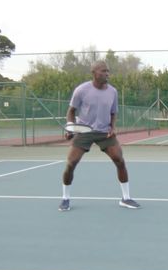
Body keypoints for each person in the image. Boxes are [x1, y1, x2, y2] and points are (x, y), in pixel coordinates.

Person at [59, 61, 140, 211]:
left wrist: (113, 127)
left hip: (104, 133)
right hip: (85, 131)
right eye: (103, 71)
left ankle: (126, 198)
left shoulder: (113, 92)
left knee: (119, 160)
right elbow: (71, 111)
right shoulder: (81, 90)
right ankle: (65, 198)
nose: (107, 74)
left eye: (108, 71)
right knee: (71, 164)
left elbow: (113, 112)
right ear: (94, 73)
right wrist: (70, 128)